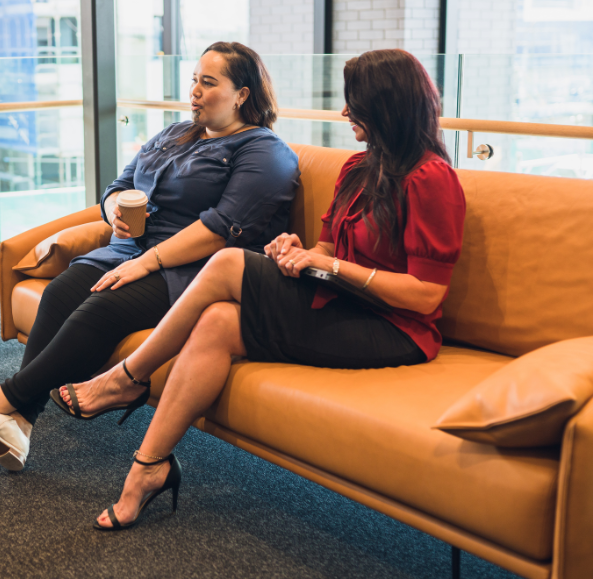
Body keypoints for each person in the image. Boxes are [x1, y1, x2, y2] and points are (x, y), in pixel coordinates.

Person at [57, 48, 467, 530]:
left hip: (394, 328)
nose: (344, 112)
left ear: (386, 107)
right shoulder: (359, 169)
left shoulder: (432, 180)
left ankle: (129, 377)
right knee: (216, 322)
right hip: (338, 299)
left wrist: (330, 265)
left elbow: (425, 296)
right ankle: (149, 468)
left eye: (353, 103)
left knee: (229, 260)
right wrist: (298, 253)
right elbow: (326, 247)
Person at [0, 42, 301, 472]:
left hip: (191, 269)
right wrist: (114, 211)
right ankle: (19, 422)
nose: (194, 90)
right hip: (130, 249)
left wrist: (146, 262)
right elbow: (118, 185)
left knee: (102, 305)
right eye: (194, 79)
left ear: (242, 94)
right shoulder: (175, 133)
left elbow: (220, 229)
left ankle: (1, 400)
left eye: (208, 83)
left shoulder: (263, 152)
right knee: (62, 292)